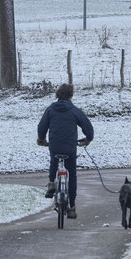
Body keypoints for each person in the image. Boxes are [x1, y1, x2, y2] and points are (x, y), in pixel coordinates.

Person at [37, 83, 94, 219]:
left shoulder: (50, 109)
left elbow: (42, 126)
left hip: (54, 145)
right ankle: (72, 207)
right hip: (70, 148)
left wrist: (42, 139)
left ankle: (51, 183)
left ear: (57, 94)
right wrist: (88, 139)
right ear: (71, 95)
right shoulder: (74, 110)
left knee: (54, 160)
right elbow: (87, 126)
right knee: (72, 174)